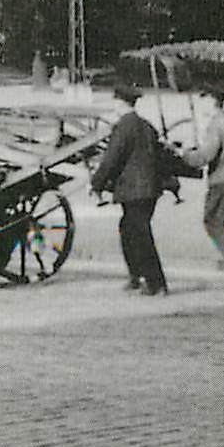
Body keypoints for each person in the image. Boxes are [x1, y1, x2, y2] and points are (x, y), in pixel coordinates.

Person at [89, 82, 169, 296]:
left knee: (139, 234)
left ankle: (155, 283)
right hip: (149, 189)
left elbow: (112, 158)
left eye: (115, 102)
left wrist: (96, 183)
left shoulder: (124, 126)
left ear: (120, 103)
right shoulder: (146, 125)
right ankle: (137, 276)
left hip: (134, 190)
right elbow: (159, 154)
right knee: (128, 229)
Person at [176, 87, 224, 289]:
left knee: (213, 222)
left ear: (212, 102)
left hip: (223, 180)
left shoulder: (215, 126)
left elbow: (205, 156)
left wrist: (183, 153)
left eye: (203, 101)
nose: (201, 106)